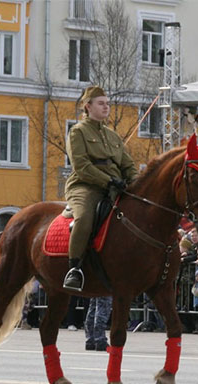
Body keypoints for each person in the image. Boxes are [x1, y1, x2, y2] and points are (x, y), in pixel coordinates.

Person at [63, 85, 138, 291]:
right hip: (85, 186)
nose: (106, 107)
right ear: (88, 106)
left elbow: (128, 165)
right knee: (85, 217)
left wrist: (137, 182)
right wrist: (108, 181)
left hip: (116, 187)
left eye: (107, 104)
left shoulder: (113, 136)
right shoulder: (77, 131)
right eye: (101, 104)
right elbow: (82, 166)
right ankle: (75, 269)